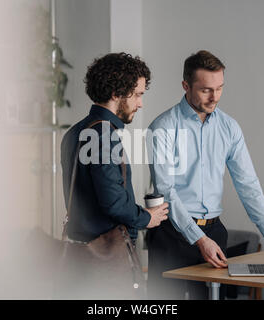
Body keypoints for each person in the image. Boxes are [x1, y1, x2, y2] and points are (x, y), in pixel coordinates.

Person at [146, 50, 264, 300]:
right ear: (186, 85)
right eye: (206, 89)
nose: (214, 96)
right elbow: (166, 191)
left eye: (220, 88)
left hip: (214, 234)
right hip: (171, 234)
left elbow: (248, 184)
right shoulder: (162, 127)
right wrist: (198, 238)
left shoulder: (229, 128)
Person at [60, 52, 169, 298]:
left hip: (79, 257)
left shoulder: (75, 132)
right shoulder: (103, 136)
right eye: (138, 94)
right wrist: (146, 218)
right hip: (107, 260)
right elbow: (114, 203)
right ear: (116, 93)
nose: (141, 103)